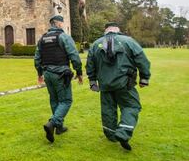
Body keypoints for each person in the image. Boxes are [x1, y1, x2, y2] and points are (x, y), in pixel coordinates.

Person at [86, 22, 151, 151]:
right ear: (118, 29)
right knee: (131, 106)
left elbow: (90, 64)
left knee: (108, 109)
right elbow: (141, 58)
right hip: (124, 83)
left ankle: (111, 134)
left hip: (105, 84)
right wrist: (144, 78)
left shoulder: (95, 44)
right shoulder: (128, 41)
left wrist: (92, 81)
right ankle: (123, 132)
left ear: (106, 30)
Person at [34, 15, 83, 143]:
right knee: (66, 100)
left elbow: (37, 59)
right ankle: (52, 123)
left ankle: (59, 128)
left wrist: (40, 73)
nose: (63, 24)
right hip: (61, 74)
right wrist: (79, 72)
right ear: (59, 24)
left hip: (48, 74)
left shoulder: (42, 39)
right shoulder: (64, 37)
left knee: (54, 100)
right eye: (62, 22)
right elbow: (74, 55)